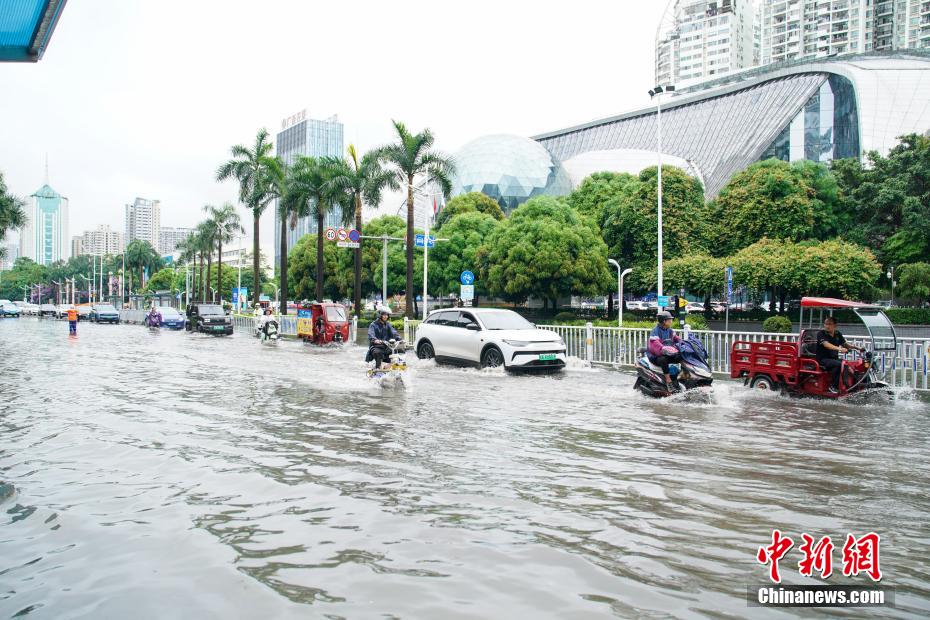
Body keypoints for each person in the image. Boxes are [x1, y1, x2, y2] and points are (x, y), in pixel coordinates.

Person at [816, 316, 863, 394]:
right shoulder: (821, 333)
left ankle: (851, 385)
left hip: (834, 358)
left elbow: (845, 344)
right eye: (825, 324)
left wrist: (857, 347)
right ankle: (833, 386)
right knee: (839, 364)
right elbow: (826, 344)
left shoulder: (837, 334)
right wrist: (840, 349)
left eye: (829, 324)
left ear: (835, 325)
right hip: (823, 359)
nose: (827, 326)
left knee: (847, 364)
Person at [648, 310, 682, 388]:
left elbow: (677, 339)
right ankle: (668, 379)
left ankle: (683, 374)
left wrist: (685, 343)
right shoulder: (655, 331)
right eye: (670, 320)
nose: (671, 321)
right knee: (663, 359)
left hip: (669, 353)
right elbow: (655, 343)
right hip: (656, 356)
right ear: (664, 321)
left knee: (681, 356)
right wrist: (663, 348)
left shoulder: (670, 330)